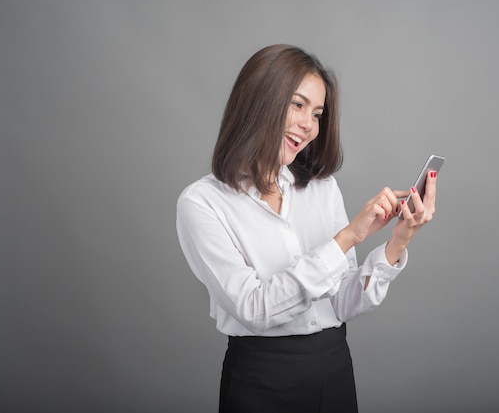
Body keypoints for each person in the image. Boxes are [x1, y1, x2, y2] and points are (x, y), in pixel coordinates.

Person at [176, 44, 437, 413]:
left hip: (333, 370)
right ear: (258, 101)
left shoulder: (321, 188)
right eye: (297, 105)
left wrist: (398, 241)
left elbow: (343, 303)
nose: (308, 125)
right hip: (261, 379)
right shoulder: (201, 203)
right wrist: (348, 237)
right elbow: (255, 308)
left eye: (317, 113)